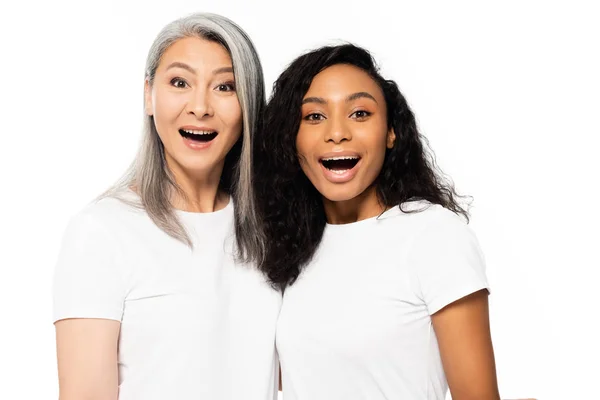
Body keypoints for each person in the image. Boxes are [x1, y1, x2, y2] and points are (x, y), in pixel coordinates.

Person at [52, 13, 281, 400]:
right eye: (179, 82)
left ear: (249, 105)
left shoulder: (274, 229)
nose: (200, 106)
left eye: (225, 86)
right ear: (148, 96)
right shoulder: (101, 231)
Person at [254, 44, 501, 399]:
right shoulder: (291, 249)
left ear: (390, 132)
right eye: (314, 117)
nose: (337, 133)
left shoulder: (434, 236)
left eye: (359, 113)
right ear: (291, 141)